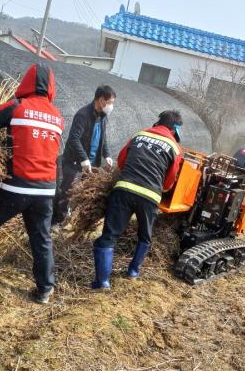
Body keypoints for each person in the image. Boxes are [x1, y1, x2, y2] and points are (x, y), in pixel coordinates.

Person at [0, 64, 63, 304]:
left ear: (27, 82)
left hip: (17, 187)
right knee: (41, 238)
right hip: (46, 189)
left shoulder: (16, 107)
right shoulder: (57, 116)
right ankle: (44, 290)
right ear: (51, 87)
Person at [91, 110, 184, 289]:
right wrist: (159, 187)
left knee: (109, 236)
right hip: (150, 197)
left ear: (158, 123)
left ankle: (102, 282)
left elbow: (122, 161)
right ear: (174, 130)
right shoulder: (175, 148)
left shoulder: (140, 135)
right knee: (144, 236)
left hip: (124, 189)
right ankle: (133, 272)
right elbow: (170, 180)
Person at [52, 85, 116, 224]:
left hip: (91, 163)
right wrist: (83, 159)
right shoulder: (83, 115)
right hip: (74, 162)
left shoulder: (103, 117)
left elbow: (102, 138)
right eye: (110, 102)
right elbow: (74, 138)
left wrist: (107, 155)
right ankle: (56, 222)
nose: (111, 106)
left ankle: (71, 220)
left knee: (82, 192)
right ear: (101, 100)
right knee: (67, 191)